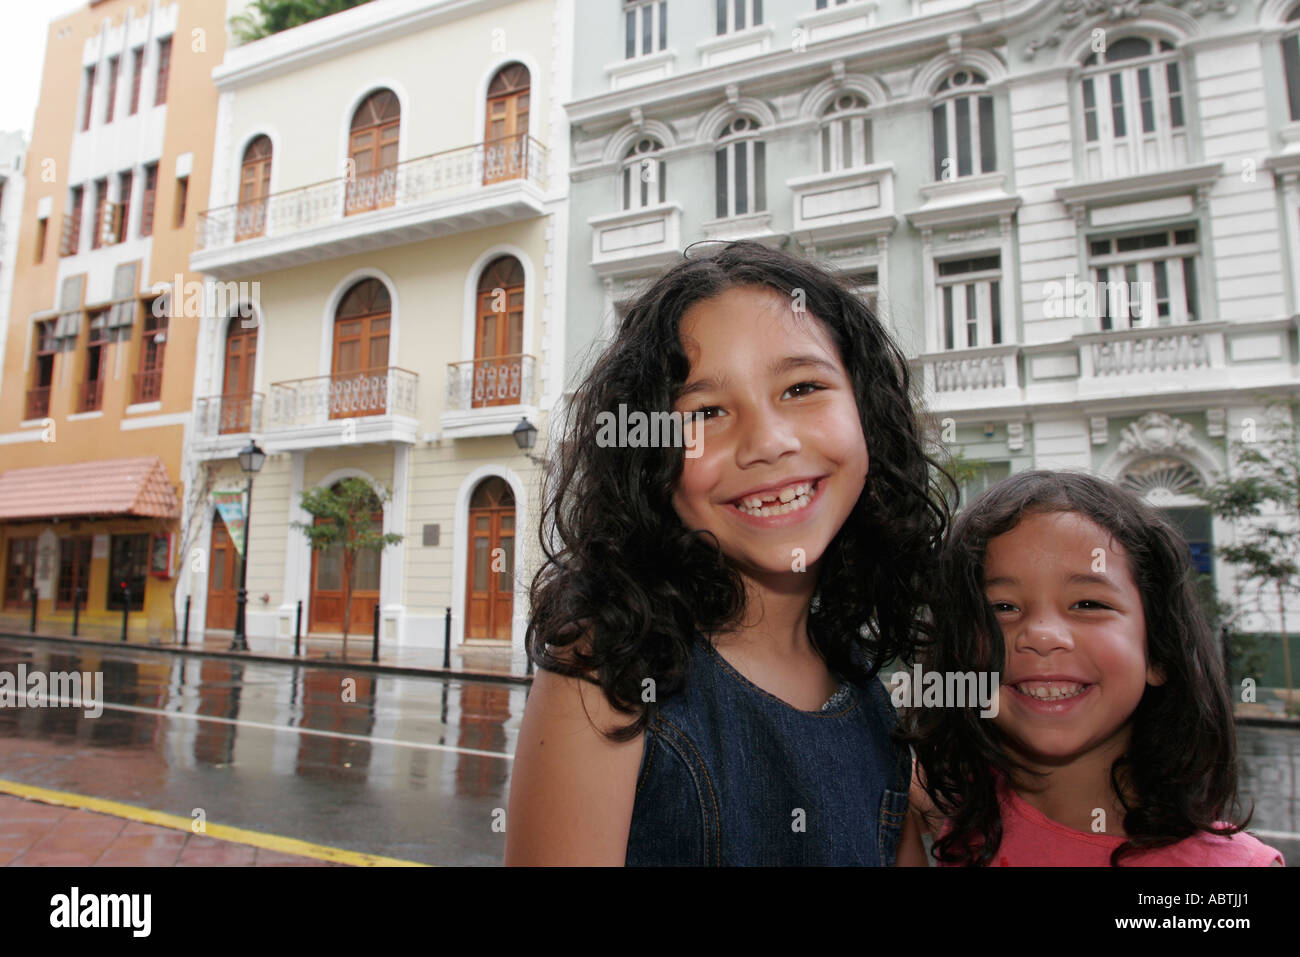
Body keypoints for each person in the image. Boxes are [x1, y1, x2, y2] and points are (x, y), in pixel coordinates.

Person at [505, 240, 951, 865]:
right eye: (707, 411)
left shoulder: (874, 703)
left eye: (801, 388)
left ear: (866, 414)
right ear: (649, 457)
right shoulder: (612, 674)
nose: (767, 442)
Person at [900, 470, 1284, 866]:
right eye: (1002, 608)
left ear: (1158, 653)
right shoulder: (940, 806)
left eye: (1088, 604)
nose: (1042, 635)